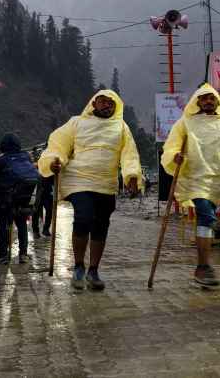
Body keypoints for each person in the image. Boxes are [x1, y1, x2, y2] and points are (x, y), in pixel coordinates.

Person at [38, 89, 142, 291]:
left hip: (106, 183)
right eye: (102, 102)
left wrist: (131, 176)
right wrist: (54, 161)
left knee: (101, 225)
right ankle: (78, 266)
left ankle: (93, 270)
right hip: (79, 181)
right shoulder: (76, 123)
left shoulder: (121, 127)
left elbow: (130, 154)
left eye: (111, 103)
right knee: (84, 217)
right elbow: (58, 144)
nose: (106, 106)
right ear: (93, 104)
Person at [161, 84, 220, 287]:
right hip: (193, 178)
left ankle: (203, 267)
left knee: (207, 219)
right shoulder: (186, 123)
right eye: (203, 98)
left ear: (217, 102)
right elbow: (171, 147)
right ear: (197, 101)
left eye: (211, 98)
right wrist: (174, 156)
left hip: (214, 180)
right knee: (206, 215)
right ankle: (203, 266)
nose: (207, 101)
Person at [0, 133, 39, 264]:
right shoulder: (26, 157)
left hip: (5, 198)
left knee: (5, 226)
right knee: (22, 225)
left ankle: (3, 255)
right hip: (24, 198)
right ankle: (23, 254)